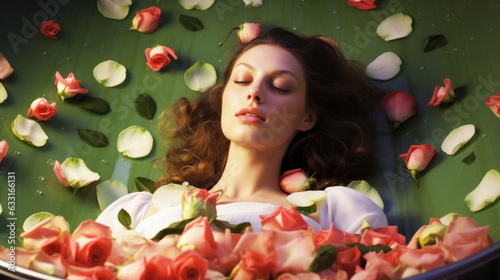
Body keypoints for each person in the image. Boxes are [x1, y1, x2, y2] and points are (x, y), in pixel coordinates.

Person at [96, 27, 388, 238]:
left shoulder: (336, 212)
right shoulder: (138, 212)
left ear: (308, 116)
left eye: (281, 86)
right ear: (223, 99)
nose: (254, 92)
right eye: (242, 79)